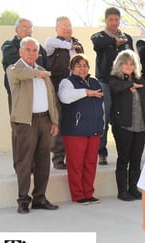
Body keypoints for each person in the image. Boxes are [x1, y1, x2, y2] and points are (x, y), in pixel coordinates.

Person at [6, 37, 59, 214]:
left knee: (44, 161)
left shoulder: (42, 70)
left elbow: (51, 97)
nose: (31, 53)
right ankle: (22, 200)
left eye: (35, 50)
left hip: (44, 120)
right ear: (21, 52)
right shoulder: (14, 69)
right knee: (25, 162)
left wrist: (54, 120)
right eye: (28, 49)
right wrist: (38, 74)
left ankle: (40, 198)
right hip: (25, 123)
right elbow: (22, 75)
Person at [109, 49, 145, 202]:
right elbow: (115, 88)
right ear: (119, 65)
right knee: (124, 158)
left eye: (131, 63)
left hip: (140, 126)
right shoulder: (115, 79)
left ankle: (133, 188)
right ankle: (122, 191)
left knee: (136, 159)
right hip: (123, 125)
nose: (129, 66)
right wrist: (129, 85)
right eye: (125, 63)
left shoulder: (141, 80)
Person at [58, 54, 104, 205]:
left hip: (94, 130)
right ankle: (78, 195)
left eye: (85, 65)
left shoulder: (94, 81)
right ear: (72, 68)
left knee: (91, 163)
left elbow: (102, 104)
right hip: (75, 131)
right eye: (78, 65)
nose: (82, 68)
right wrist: (86, 92)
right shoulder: (67, 82)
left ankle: (89, 193)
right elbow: (65, 97)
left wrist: (102, 124)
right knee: (76, 164)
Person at [91, 7, 133, 166]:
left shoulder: (127, 37)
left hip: (123, 83)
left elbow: (133, 57)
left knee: (121, 118)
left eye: (116, 19)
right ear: (106, 20)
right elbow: (97, 42)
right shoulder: (99, 36)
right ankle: (101, 152)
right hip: (105, 83)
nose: (114, 22)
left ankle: (124, 152)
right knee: (105, 117)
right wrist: (114, 41)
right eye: (111, 20)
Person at [46, 16, 84, 170]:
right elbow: (51, 42)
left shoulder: (77, 44)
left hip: (76, 88)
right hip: (58, 88)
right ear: (57, 28)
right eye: (63, 26)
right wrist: (67, 46)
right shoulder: (52, 44)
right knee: (59, 122)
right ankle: (58, 159)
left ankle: (74, 157)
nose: (67, 28)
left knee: (75, 123)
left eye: (69, 25)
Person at [2, 18, 48, 113]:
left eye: (30, 28)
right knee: (21, 126)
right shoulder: (9, 46)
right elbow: (18, 66)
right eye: (24, 27)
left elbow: (46, 67)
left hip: (38, 95)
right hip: (19, 95)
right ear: (16, 29)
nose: (28, 30)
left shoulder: (39, 47)